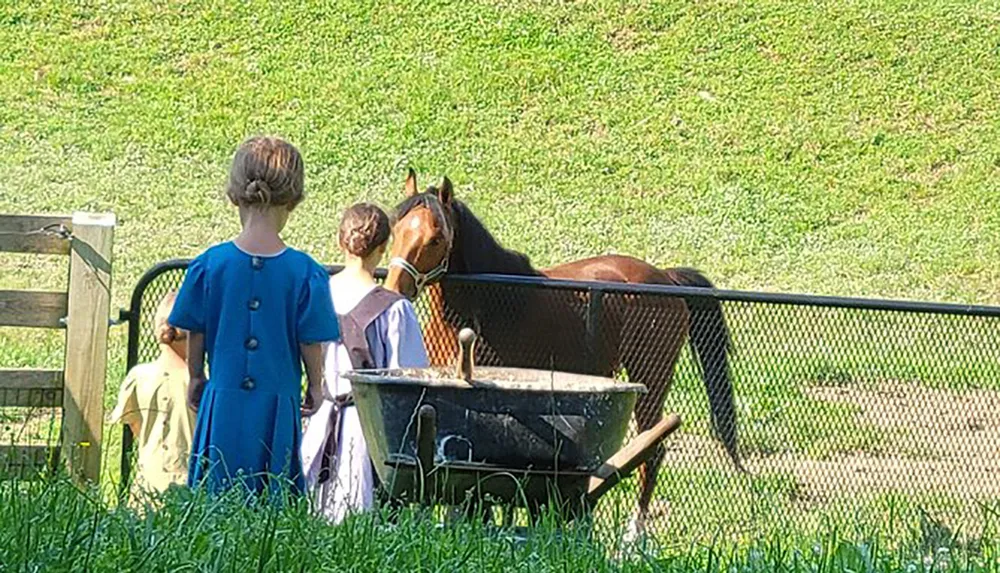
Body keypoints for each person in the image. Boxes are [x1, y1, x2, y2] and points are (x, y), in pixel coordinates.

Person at [168, 136, 340, 498]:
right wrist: (317, 384)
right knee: (270, 502)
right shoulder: (305, 272)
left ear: (235, 194)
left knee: (215, 496)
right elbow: (310, 339)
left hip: (222, 399)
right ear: (293, 199)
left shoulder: (208, 265)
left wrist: (196, 375)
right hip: (277, 401)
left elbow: (194, 328)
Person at [301, 202, 429, 523]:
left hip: (316, 425)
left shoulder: (315, 297)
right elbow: (410, 381)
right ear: (383, 248)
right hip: (370, 432)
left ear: (339, 241)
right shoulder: (395, 310)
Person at [109, 291, 194, 505]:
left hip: (146, 491)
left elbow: (135, 426)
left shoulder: (139, 376)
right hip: (191, 490)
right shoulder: (202, 384)